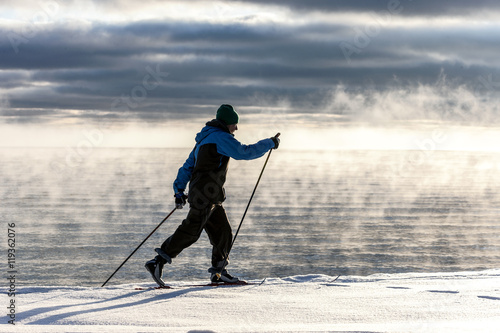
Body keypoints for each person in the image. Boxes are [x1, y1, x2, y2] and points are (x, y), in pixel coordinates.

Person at [145, 104, 280, 286]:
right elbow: (244, 152)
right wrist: (270, 143)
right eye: (234, 124)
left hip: (211, 195)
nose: (236, 128)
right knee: (192, 230)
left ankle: (219, 272)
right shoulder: (220, 138)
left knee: (223, 232)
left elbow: (187, 166)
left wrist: (179, 191)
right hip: (205, 195)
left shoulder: (204, 139)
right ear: (227, 123)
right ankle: (157, 262)